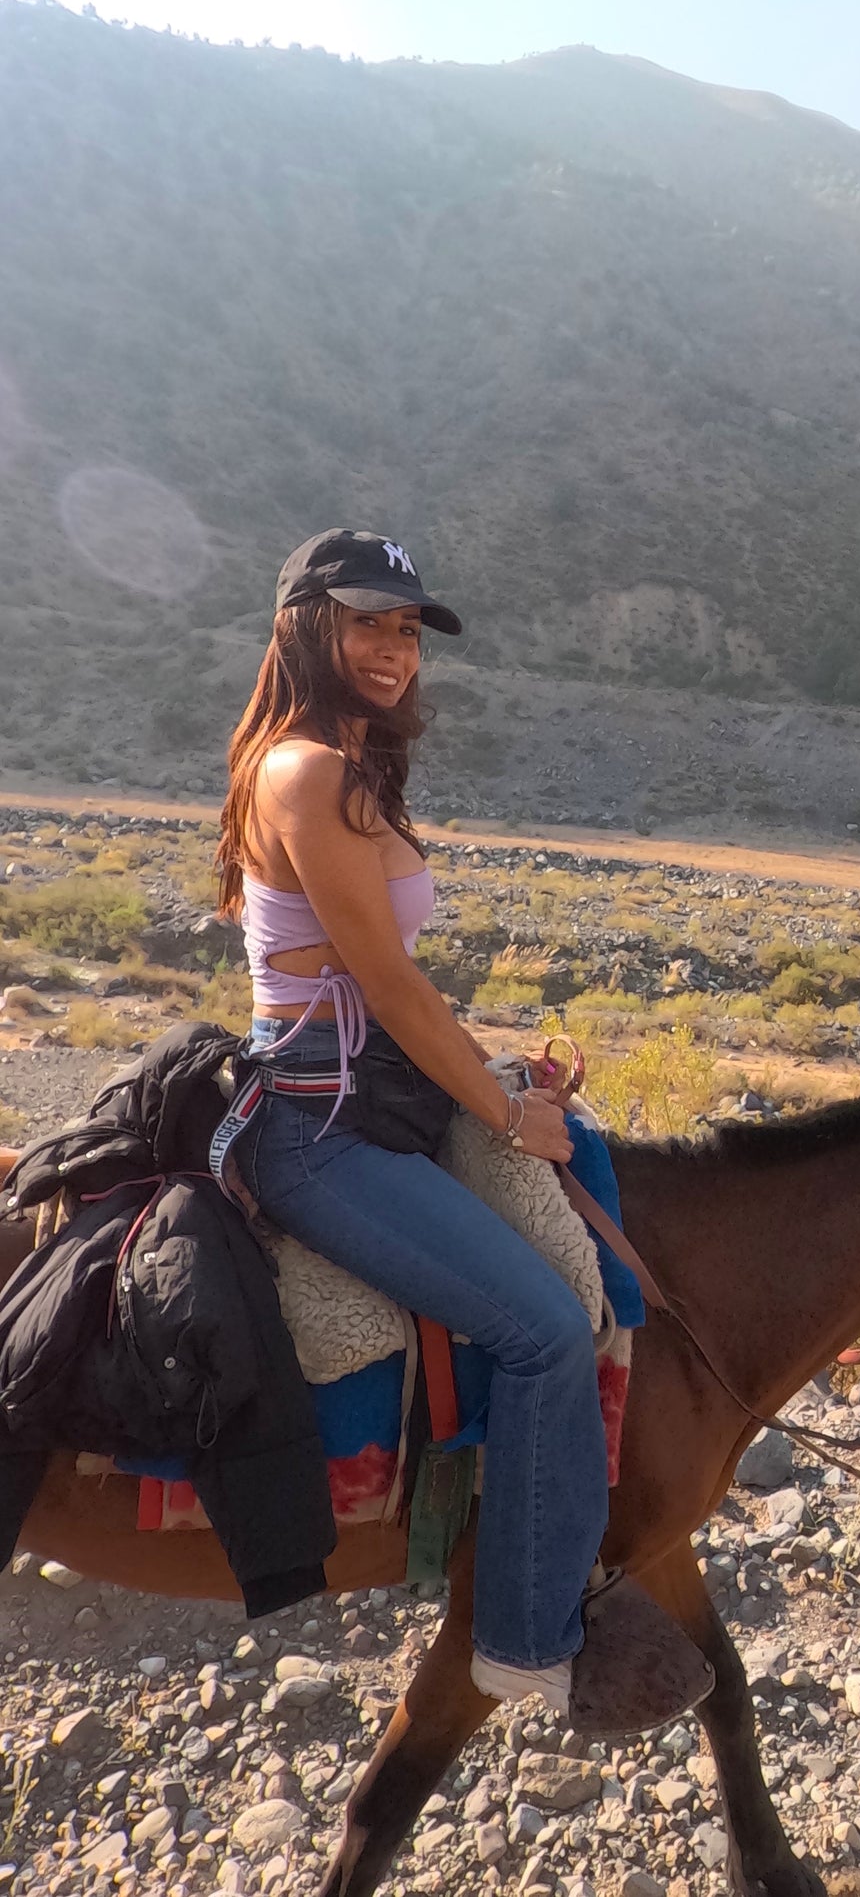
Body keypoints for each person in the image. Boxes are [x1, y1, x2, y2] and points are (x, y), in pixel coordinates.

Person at [212, 529, 676, 1720]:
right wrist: (508, 1110)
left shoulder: (346, 764)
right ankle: (527, 1644)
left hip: (375, 1094)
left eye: (408, 631)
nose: (394, 649)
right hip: (317, 1126)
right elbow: (387, 983)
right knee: (540, 1329)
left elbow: (397, 990)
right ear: (307, 624)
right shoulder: (305, 771)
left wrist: (493, 1069)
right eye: (369, 622)